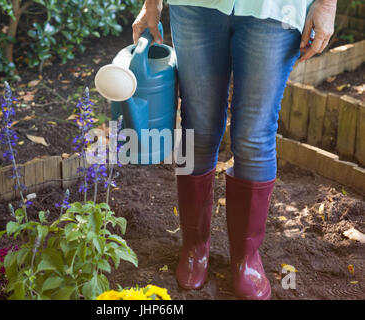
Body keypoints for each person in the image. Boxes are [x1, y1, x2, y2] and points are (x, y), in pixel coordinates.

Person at [132, 0, 337, 300]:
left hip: (275, 8)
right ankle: (194, 246)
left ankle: (246, 258)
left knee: (254, 136)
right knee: (196, 128)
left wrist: (326, 4)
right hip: (194, 6)